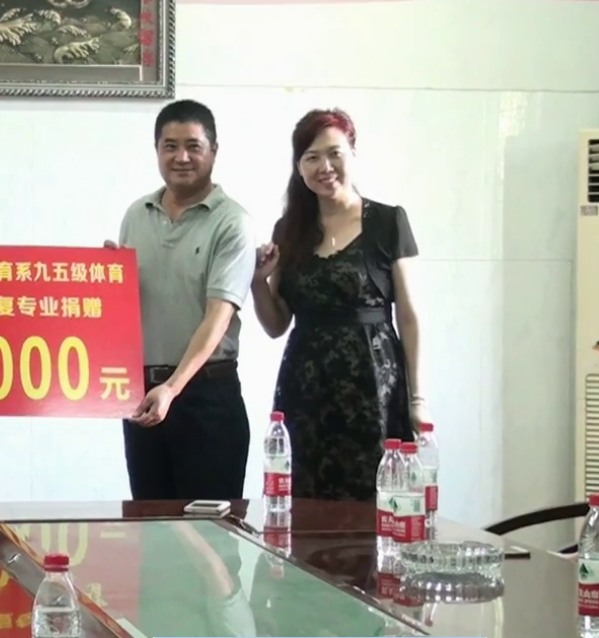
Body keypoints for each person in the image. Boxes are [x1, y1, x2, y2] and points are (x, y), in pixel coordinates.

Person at [251, 108, 428, 502]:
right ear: (299, 166)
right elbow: (276, 324)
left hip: (373, 386)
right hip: (305, 389)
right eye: (312, 157)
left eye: (334, 153)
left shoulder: (388, 222)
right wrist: (257, 281)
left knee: (378, 498)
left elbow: (409, 317)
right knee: (304, 501)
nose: (324, 167)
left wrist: (418, 399)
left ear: (353, 154)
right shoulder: (289, 229)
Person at [107, 100, 257, 501]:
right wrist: (107, 279)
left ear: (214, 151)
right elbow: (129, 310)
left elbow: (217, 319)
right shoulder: (137, 214)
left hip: (207, 399)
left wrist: (172, 388)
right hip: (143, 397)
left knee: (207, 532)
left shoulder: (232, 222)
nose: (182, 157)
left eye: (193, 146)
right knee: (149, 526)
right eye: (170, 146)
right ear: (157, 151)